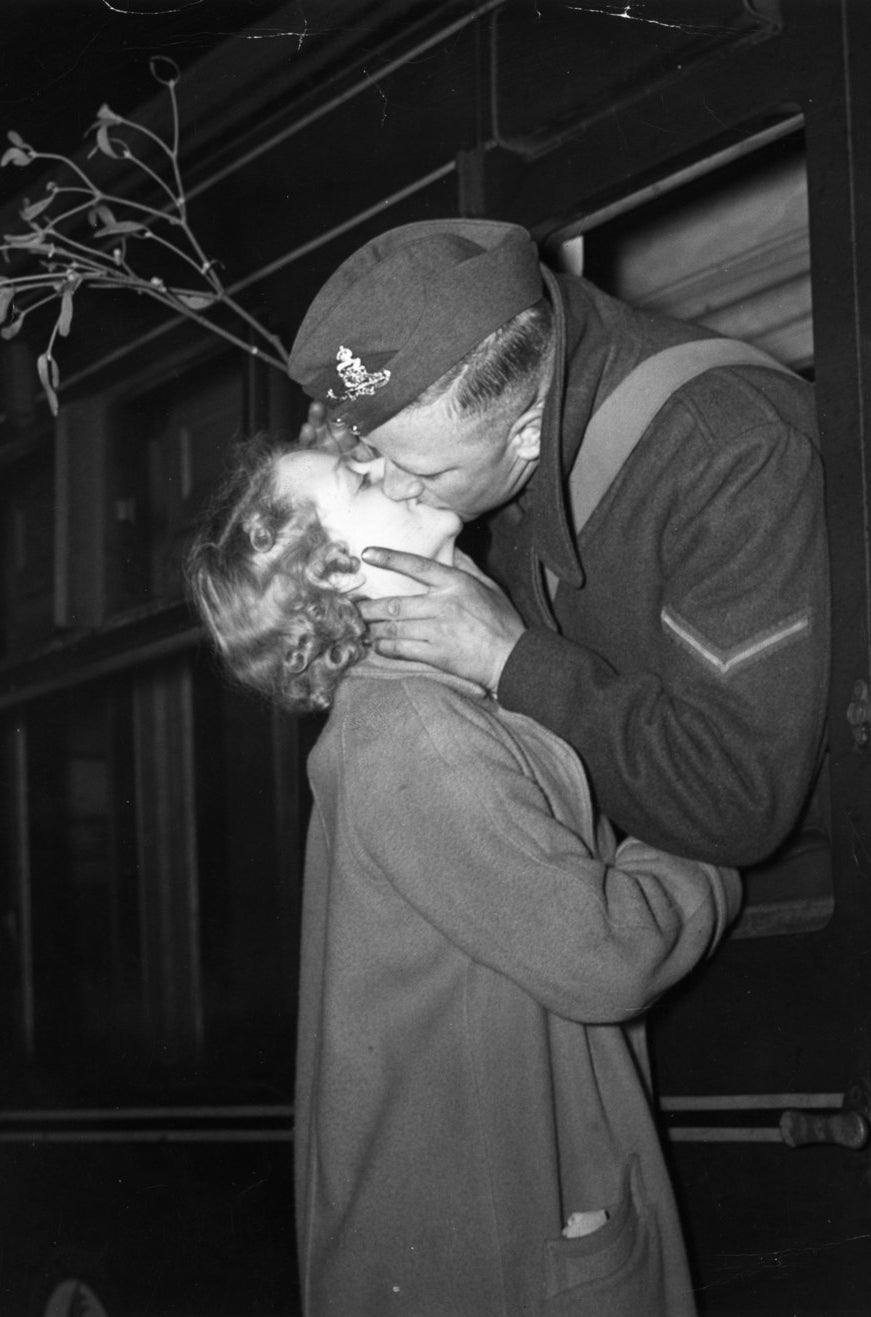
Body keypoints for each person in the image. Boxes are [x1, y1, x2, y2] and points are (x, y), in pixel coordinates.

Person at [185, 436, 741, 1316]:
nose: (396, 466)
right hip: (500, 1255)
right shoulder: (412, 731)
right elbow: (607, 956)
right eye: (360, 479)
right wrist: (713, 841)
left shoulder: (429, 700)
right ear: (336, 579)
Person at [287, 218, 830, 869]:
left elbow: (737, 802)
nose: (397, 487)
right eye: (374, 457)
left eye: (426, 473)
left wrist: (505, 658)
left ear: (527, 436)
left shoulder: (729, 454)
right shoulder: (490, 447)